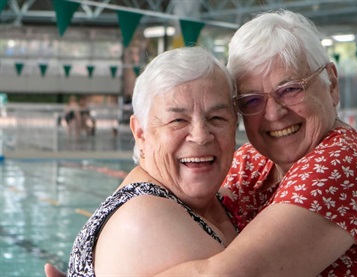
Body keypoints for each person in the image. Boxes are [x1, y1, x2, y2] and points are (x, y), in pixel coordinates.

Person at [47, 10, 357, 277]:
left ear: (332, 84)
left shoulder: (342, 163)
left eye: (289, 89)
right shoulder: (252, 160)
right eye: (252, 100)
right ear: (139, 131)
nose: (272, 113)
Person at [55, 46, 239, 276]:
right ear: (140, 133)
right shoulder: (144, 219)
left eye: (217, 118)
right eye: (178, 120)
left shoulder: (219, 199)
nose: (201, 135)